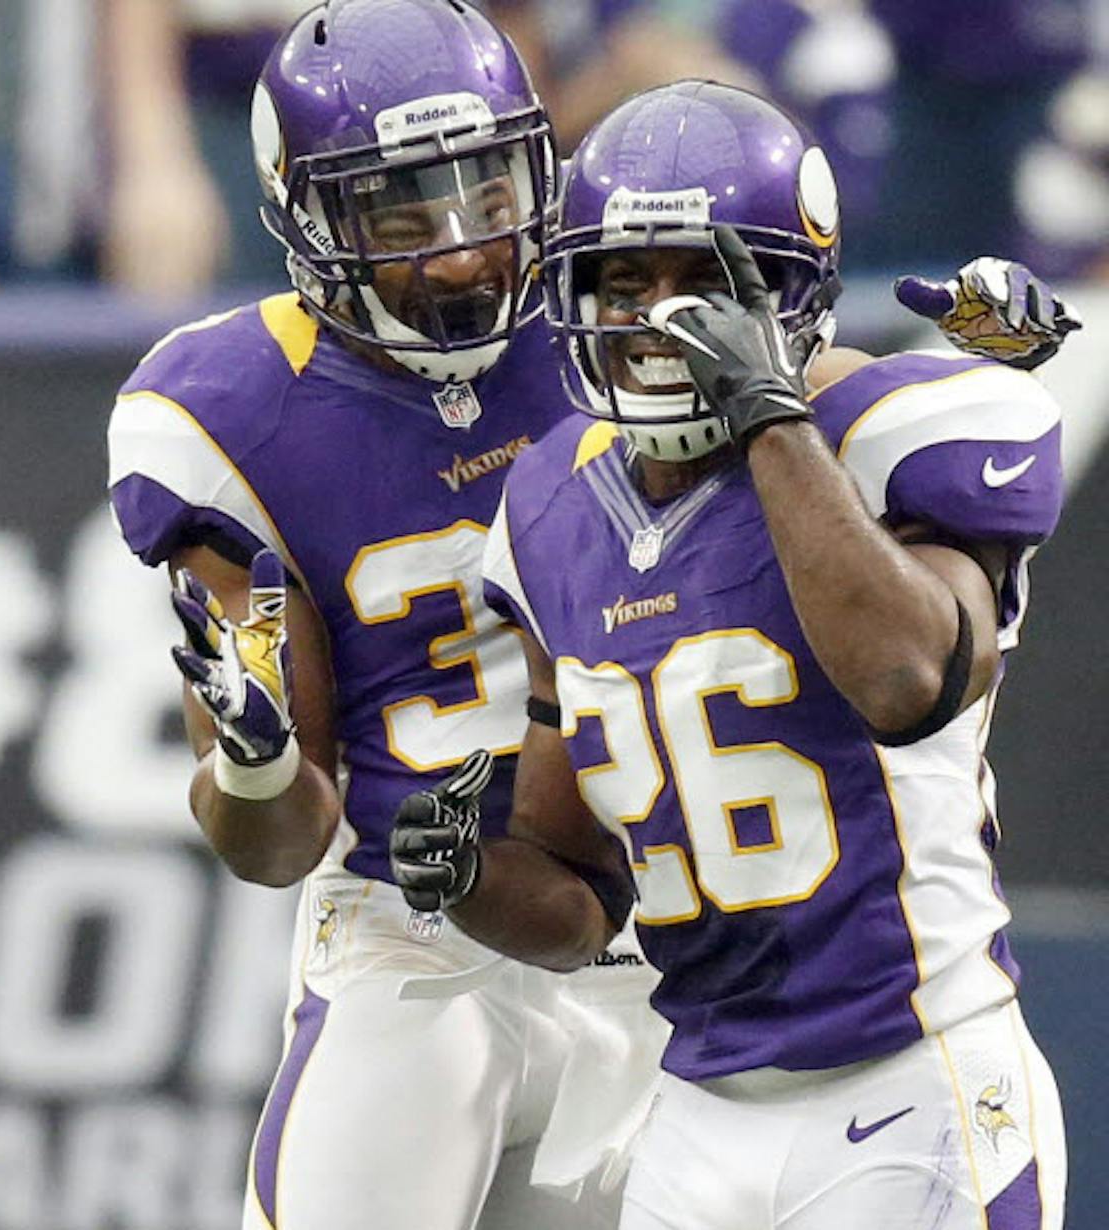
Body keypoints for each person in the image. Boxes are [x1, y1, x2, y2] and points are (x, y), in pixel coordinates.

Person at [107, 3, 1080, 1226]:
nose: (462, 251)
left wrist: (984, 351)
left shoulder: (630, 319)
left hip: (698, 978)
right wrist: (256, 766)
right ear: (301, 216)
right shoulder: (246, 416)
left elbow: (796, 361)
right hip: (433, 928)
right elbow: (281, 842)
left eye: (483, 191)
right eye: (400, 212)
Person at [391, 80, 1067, 1226]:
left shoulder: (893, 433)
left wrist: (771, 418)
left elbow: (909, 681)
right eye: (627, 281)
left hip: (916, 1077)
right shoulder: (552, 503)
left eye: (707, 279)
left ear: (792, 292)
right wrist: (467, 880)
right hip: (699, 1106)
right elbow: (578, 901)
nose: (663, 317)